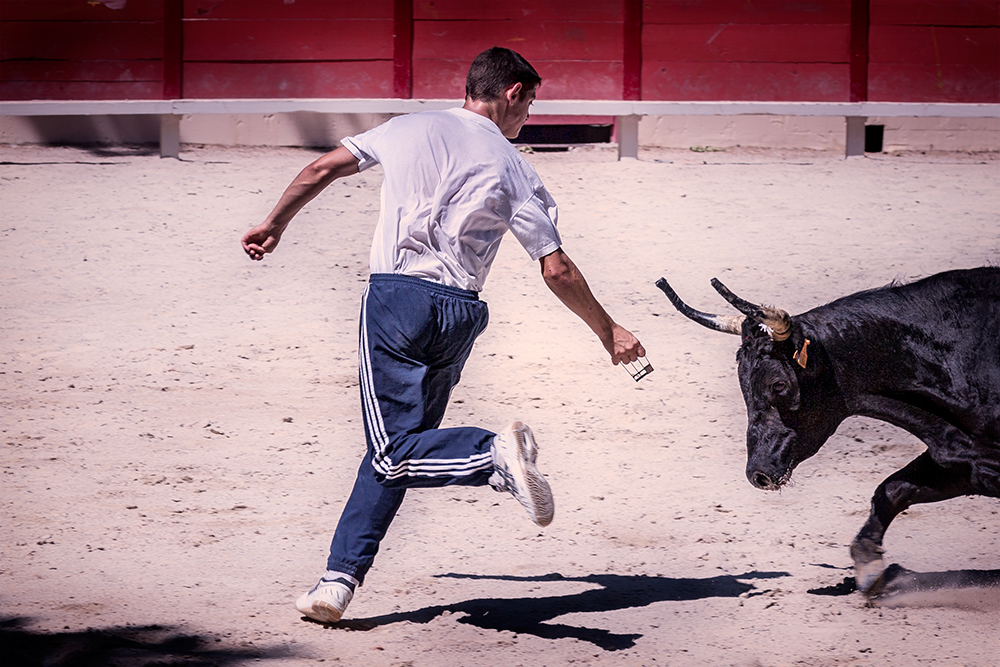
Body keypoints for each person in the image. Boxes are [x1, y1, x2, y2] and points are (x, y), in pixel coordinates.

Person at [241, 46, 646, 623]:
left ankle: (490, 454)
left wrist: (273, 223)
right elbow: (555, 267)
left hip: (397, 301)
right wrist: (609, 332)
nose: (526, 118)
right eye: (529, 106)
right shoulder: (514, 166)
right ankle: (338, 581)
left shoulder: (407, 127)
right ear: (512, 93)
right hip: (460, 313)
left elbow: (320, 168)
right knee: (398, 452)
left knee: (391, 450)